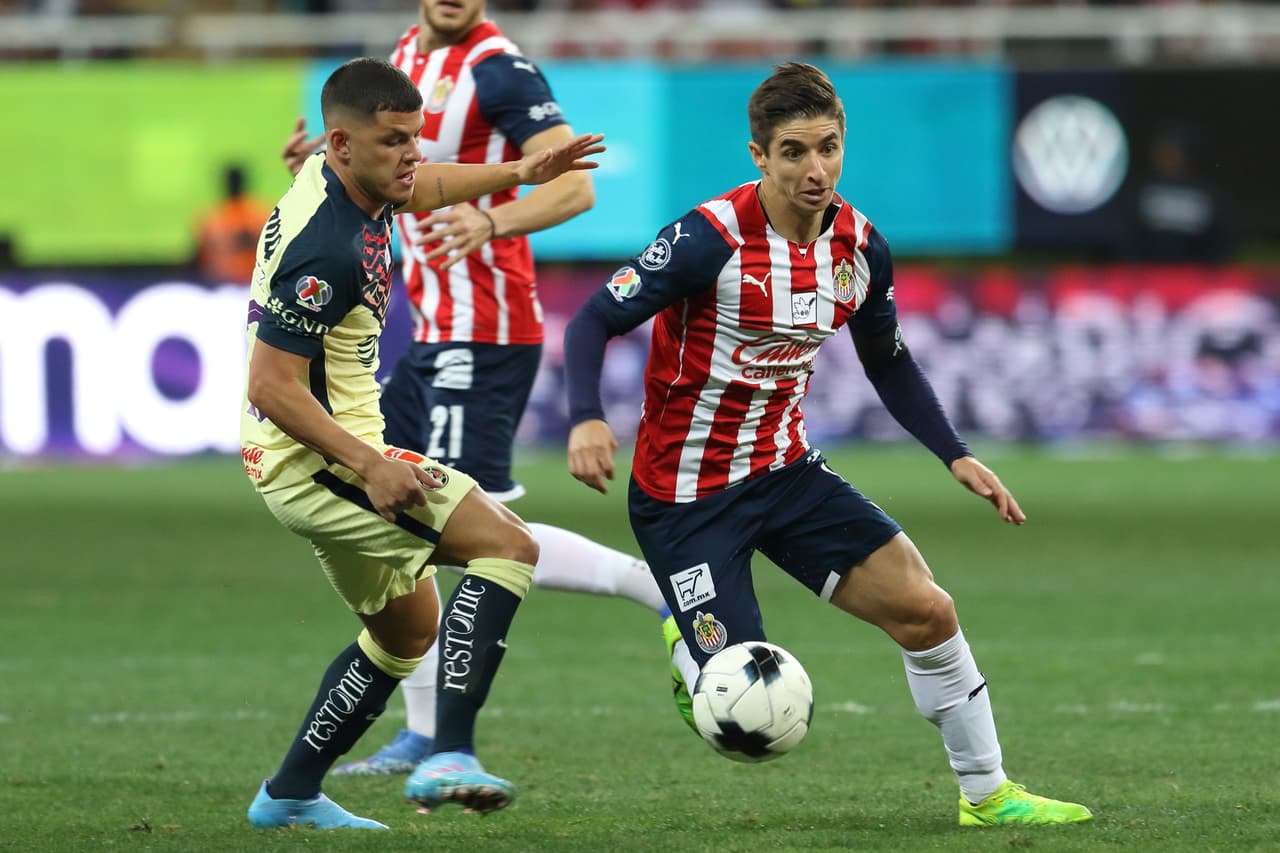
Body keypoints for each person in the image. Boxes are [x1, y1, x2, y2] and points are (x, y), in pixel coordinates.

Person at [563, 62, 1093, 828]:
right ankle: (684, 634)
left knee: (927, 610)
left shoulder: (860, 247)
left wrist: (955, 453)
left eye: (828, 148)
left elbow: (889, 361)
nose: (816, 169)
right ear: (759, 155)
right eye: (794, 152)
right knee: (744, 712)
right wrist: (586, 417)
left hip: (786, 472)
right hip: (685, 499)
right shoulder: (707, 239)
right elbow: (591, 321)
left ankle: (987, 793)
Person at [280, 0, 668, 779]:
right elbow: (388, 170)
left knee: (467, 525)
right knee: (399, 516)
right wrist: (319, 164)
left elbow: (575, 188)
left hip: (484, 328)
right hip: (432, 333)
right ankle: (424, 733)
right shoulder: (404, 55)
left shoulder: (500, 71)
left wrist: (493, 223)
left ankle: (659, 590)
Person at [241, 56, 603, 829]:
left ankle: (290, 794)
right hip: (318, 459)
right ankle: (451, 753)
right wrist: (369, 464)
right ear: (342, 144)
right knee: (507, 545)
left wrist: (519, 171)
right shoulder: (326, 246)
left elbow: (426, 184)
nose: (412, 154)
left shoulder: (350, 178)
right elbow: (270, 385)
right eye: (394, 141)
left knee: (406, 631)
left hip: (312, 454)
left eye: (414, 136)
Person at [194, 163, 273, 284]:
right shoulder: (262, 213)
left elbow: (202, 255)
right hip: (251, 281)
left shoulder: (213, 217)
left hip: (230, 281)